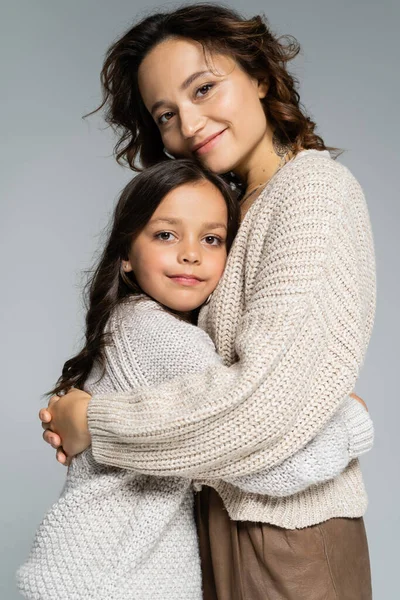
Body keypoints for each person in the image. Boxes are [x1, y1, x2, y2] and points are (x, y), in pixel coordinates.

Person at [39, 4, 376, 599]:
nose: (188, 124)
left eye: (204, 88)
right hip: (220, 516)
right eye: (166, 114)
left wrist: (97, 421)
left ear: (261, 77)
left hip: (287, 532)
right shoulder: (230, 210)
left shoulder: (312, 194)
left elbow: (263, 412)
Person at [17, 159, 373, 599]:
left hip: (90, 571)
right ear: (126, 253)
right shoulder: (161, 336)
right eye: (166, 234)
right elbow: (257, 458)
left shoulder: (128, 324)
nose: (191, 253)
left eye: (211, 238)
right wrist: (351, 424)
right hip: (115, 581)